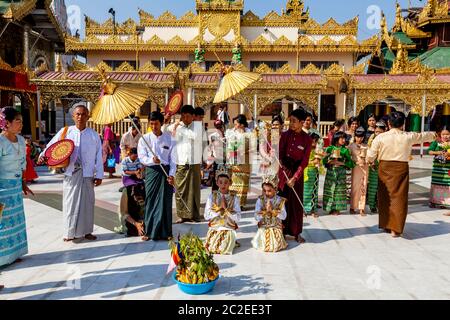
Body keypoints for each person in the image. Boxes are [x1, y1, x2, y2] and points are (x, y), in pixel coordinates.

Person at [39, 105, 103, 242]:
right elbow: (52, 145)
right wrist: (42, 155)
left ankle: (87, 231)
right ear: (73, 116)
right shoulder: (65, 132)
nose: (80, 117)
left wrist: (99, 175)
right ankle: (69, 233)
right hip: (71, 172)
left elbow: (99, 156)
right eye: (78, 114)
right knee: (70, 203)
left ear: (88, 116)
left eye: (83, 114)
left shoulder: (94, 135)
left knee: (88, 203)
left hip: (88, 174)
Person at [367, 111, 436, 238]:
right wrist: (434, 135)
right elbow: (422, 136)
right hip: (401, 169)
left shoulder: (380, 137)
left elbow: (371, 155)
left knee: (385, 197)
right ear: (403, 124)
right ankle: (395, 229)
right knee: (399, 198)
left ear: (388, 123)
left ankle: (386, 224)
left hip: (384, 168)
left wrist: (369, 161)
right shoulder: (407, 136)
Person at [0, 107, 34, 289]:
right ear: (7, 123)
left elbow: (22, 164)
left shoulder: (21, 140)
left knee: (16, 221)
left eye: (21, 120)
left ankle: (15, 254)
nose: (21, 124)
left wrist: (23, 183)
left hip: (14, 187)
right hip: (2, 188)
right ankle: (3, 257)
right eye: (18, 121)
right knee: (3, 223)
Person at [138, 111, 176, 241]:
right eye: (152, 123)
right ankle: (149, 231)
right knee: (151, 200)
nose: (154, 126)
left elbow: (173, 159)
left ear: (162, 123)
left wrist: (171, 175)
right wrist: (151, 160)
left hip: (165, 173)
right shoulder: (144, 139)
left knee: (166, 201)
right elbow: (142, 157)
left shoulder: (169, 138)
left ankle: (167, 232)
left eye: (156, 124)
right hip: (152, 172)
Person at [278, 108, 312, 243]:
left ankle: (296, 232)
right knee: (282, 202)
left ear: (302, 122)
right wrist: (284, 173)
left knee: (296, 204)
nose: (291, 124)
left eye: (294, 121)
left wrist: (295, 177)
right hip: (284, 172)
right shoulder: (285, 135)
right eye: (290, 121)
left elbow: (304, 162)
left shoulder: (307, 139)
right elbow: (280, 154)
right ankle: (282, 231)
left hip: (297, 174)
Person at [172, 105, 202, 223]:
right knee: (180, 189)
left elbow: (194, 136)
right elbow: (167, 130)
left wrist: (179, 128)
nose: (185, 118)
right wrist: (172, 123)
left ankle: (194, 215)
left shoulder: (198, 126)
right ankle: (182, 215)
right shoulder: (178, 127)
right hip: (181, 162)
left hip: (194, 163)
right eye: (183, 116)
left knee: (194, 190)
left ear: (193, 116)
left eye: (188, 116)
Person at [204, 167, 241, 255]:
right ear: (216, 183)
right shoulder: (212, 196)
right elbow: (206, 215)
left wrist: (227, 210)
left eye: (226, 182)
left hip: (228, 228)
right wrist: (219, 210)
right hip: (215, 227)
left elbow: (238, 217)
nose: (223, 185)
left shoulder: (234, 197)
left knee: (223, 248)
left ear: (230, 183)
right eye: (220, 182)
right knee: (212, 248)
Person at [252, 175, 288, 253]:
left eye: (269, 190)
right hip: (264, 227)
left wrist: (272, 211)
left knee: (274, 245)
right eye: (264, 190)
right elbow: (256, 216)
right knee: (263, 244)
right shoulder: (260, 200)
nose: (266, 193)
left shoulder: (280, 200)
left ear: (275, 189)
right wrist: (264, 212)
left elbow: (284, 216)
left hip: (276, 227)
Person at [115, 148, 146, 238]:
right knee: (132, 230)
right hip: (128, 177)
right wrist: (136, 224)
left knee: (140, 183)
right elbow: (125, 214)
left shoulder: (137, 160)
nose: (135, 157)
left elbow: (140, 167)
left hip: (136, 177)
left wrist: (139, 172)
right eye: (134, 156)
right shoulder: (125, 160)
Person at [323, 131, 355, 216]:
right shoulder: (329, 148)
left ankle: (337, 209)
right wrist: (329, 160)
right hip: (331, 171)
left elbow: (351, 164)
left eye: (345, 138)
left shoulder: (345, 150)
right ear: (337, 139)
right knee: (330, 190)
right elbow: (324, 161)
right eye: (342, 138)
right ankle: (330, 208)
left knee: (338, 191)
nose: (344, 140)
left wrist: (341, 163)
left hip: (341, 172)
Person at [226, 114, 253, 211]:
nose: (235, 126)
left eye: (236, 124)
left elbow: (253, 147)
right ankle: (233, 203)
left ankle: (241, 204)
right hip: (235, 161)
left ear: (242, 124)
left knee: (243, 183)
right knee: (234, 182)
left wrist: (245, 151)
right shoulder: (232, 133)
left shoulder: (249, 133)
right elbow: (229, 148)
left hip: (245, 161)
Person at [367, 121, 387, 213]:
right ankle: (372, 205)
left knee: (383, 186)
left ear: (384, 131)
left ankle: (381, 204)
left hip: (384, 165)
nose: (378, 134)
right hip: (374, 165)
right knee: (373, 186)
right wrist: (371, 162)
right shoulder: (372, 139)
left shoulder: (387, 140)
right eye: (376, 132)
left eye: (380, 132)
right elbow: (369, 151)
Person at [348, 127, 369, 216]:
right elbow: (348, 157)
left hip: (364, 168)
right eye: (358, 136)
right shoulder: (351, 146)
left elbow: (370, 156)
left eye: (361, 137)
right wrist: (354, 162)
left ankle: (362, 208)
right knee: (355, 188)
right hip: (355, 168)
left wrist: (367, 161)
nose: (359, 139)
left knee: (363, 187)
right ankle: (353, 206)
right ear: (355, 136)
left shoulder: (367, 146)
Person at [427, 127, 450, 209]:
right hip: (437, 168)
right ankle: (433, 201)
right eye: (443, 134)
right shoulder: (436, 142)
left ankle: (444, 202)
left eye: (447, 134)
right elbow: (429, 151)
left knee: (446, 185)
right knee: (436, 184)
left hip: (447, 168)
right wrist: (438, 152)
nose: (445, 136)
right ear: (440, 134)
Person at [303, 132, 323, 218]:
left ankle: (313, 209)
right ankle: (303, 210)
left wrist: (320, 161)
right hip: (306, 173)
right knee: (306, 192)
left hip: (315, 173)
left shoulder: (317, 151)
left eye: (316, 141)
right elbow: (303, 162)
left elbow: (319, 162)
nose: (314, 143)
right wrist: (312, 162)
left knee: (314, 191)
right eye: (312, 141)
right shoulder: (304, 150)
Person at [205, 120, 226, 191]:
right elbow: (210, 148)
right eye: (217, 126)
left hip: (226, 159)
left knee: (225, 179)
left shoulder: (226, 135)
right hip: (217, 159)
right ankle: (215, 196)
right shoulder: (212, 136)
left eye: (220, 126)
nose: (219, 128)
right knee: (216, 179)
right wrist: (209, 161)